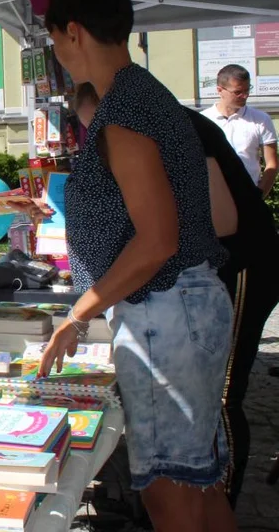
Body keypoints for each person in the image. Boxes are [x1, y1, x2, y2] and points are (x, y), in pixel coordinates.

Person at [37, 0, 236, 532]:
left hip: (165, 312)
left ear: (73, 32)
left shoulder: (126, 108)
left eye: (55, 40)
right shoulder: (138, 96)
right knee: (194, 484)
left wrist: (79, 314)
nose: (56, 54)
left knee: (170, 495)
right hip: (176, 307)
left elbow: (157, 241)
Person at [74, 82, 279, 508]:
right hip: (208, 274)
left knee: (222, 399)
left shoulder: (162, 124)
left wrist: (145, 241)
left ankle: (226, 494)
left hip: (241, 267)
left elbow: (218, 220)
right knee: (199, 431)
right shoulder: (152, 120)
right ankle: (211, 499)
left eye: (96, 131)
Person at [201, 64, 278, 195]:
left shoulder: (261, 119)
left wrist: (258, 196)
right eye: (238, 92)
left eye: (247, 90)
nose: (244, 96)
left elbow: (272, 164)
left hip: (247, 195)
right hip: (213, 198)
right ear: (220, 90)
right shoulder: (203, 120)